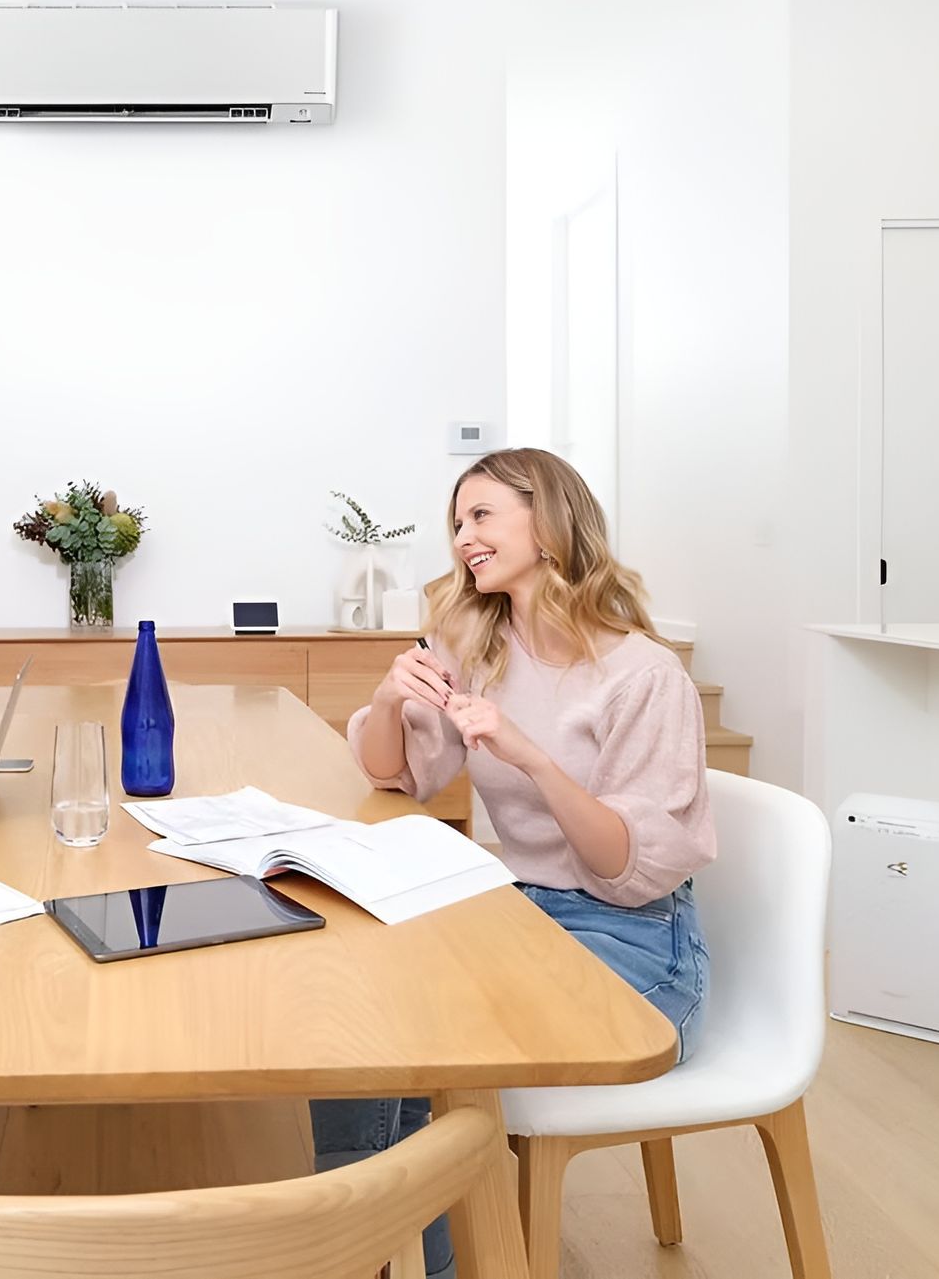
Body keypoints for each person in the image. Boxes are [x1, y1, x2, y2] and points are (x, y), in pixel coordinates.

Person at [311, 447, 716, 1278]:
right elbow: (397, 771)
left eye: (483, 515)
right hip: (523, 913)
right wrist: (390, 695)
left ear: (551, 521)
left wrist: (532, 757)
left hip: (637, 944)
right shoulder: (482, 645)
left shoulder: (644, 674)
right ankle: (360, 1250)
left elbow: (628, 868)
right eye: (458, 522)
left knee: (427, 1042)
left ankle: (399, 1257)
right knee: (356, 1017)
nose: (464, 537)